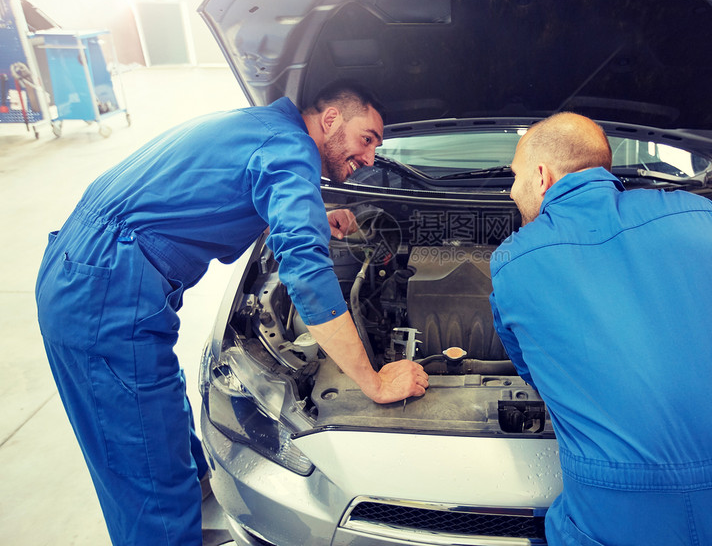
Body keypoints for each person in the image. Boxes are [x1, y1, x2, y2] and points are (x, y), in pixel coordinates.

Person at [34, 80, 429, 545]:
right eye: (367, 139)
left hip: (88, 265)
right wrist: (374, 381)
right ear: (330, 120)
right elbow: (306, 277)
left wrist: (314, 214)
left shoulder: (265, 129)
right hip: (103, 288)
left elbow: (232, 186)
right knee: (147, 473)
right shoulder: (291, 148)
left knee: (160, 415)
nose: (369, 159)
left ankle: (198, 493)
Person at [489, 112, 712, 546]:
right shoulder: (702, 214)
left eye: (514, 176)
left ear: (541, 177)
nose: (511, 189)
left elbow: (538, 376)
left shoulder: (511, 264)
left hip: (617, 522)